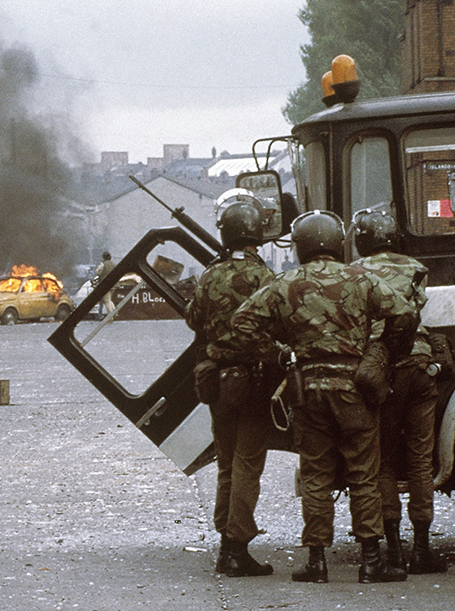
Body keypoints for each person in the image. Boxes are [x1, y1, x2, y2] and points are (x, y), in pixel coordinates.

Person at [232, 210, 417, 584]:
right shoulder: (362, 278)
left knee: (316, 474)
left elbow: (241, 322)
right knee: (364, 474)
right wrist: (383, 354)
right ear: (337, 242)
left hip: (308, 390)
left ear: (299, 246)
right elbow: (406, 313)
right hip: (355, 390)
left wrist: (279, 354)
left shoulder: (284, 282)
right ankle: (371, 562)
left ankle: (316, 562)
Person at [185, 190, 277, 577]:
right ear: (256, 234)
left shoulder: (210, 276)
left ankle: (226, 541)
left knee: (227, 463)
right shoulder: (265, 276)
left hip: (216, 383)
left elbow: (193, 319)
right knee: (247, 465)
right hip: (253, 382)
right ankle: (236, 548)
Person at [351, 209, 447, 575]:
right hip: (420, 366)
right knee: (421, 460)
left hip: (383, 369)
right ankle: (422, 550)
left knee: (384, 462)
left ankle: (394, 551)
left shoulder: (355, 272)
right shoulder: (416, 267)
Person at [94, 251, 116, 318]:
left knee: (106, 301)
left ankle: (111, 316)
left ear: (103, 257)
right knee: (109, 299)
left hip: (105, 284)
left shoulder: (103, 264)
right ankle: (115, 312)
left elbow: (97, 272)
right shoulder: (113, 264)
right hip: (113, 284)